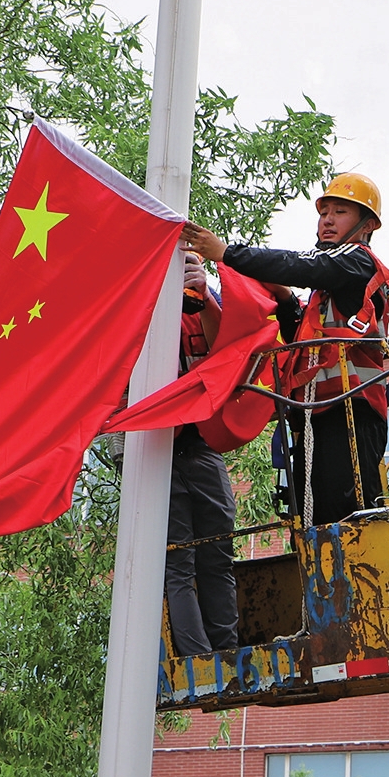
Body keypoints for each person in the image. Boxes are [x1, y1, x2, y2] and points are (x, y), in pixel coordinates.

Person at [181, 173, 389, 525]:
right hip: (319, 412)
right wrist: (283, 299)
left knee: (347, 519)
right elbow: (304, 338)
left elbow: (303, 265)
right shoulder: (328, 288)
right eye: (323, 212)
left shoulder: (357, 262)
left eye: (339, 212)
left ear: (367, 224)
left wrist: (227, 254)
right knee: (316, 516)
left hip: (352, 410)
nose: (327, 220)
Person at [162, 252, 239, 657]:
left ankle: (225, 653)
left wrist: (204, 292)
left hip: (202, 442)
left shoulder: (199, 305)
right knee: (178, 561)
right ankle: (199, 661)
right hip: (156, 450)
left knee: (217, 553)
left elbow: (227, 346)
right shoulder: (136, 313)